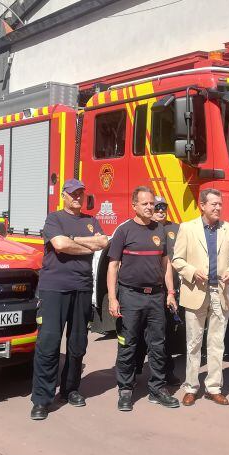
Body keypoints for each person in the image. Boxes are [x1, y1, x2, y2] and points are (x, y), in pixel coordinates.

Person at [30, 179, 108, 420]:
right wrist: (83, 242)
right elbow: (60, 244)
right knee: (49, 343)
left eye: (81, 194)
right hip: (54, 289)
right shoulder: (54, 219)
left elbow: (103, 243)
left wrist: (72, 240)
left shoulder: (91, 220)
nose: (77, 198)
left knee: (78, 343)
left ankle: (70, 389)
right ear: (63, 195)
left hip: (82, 288)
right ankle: (42, 399)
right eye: (73, 194)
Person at [107, 186, 180, 411]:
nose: (150, 207)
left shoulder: (160, 230)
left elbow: (166, 264)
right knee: (128, 344)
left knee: (158, 345)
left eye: (152, 204)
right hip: (130, 296)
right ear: (134, 206)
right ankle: (125, 390)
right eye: (145, 204)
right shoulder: (124, 231)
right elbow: (113, 266)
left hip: (156, 296)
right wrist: (112, 298)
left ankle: (157, 389)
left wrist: (170, 293)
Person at [172, 188, 229, 406]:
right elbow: (177, 260)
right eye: (214, 204)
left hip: (219, 293)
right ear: (202, 205)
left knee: (216, 343)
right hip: (196, 293)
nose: (218, 208)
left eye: (220, 204)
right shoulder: (187, 228)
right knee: (193, 343)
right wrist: (192, 272)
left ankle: (213, 387)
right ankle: (191, 387)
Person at [135, 196, 183, 385]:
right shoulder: (141, 228)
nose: (161, 211)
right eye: (157, 207)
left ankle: (166, 371)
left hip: (169, 290)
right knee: (138, 332)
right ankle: (135, 368)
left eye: (164, 207)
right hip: (147, 290)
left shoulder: (177, 229)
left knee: (167, 334)